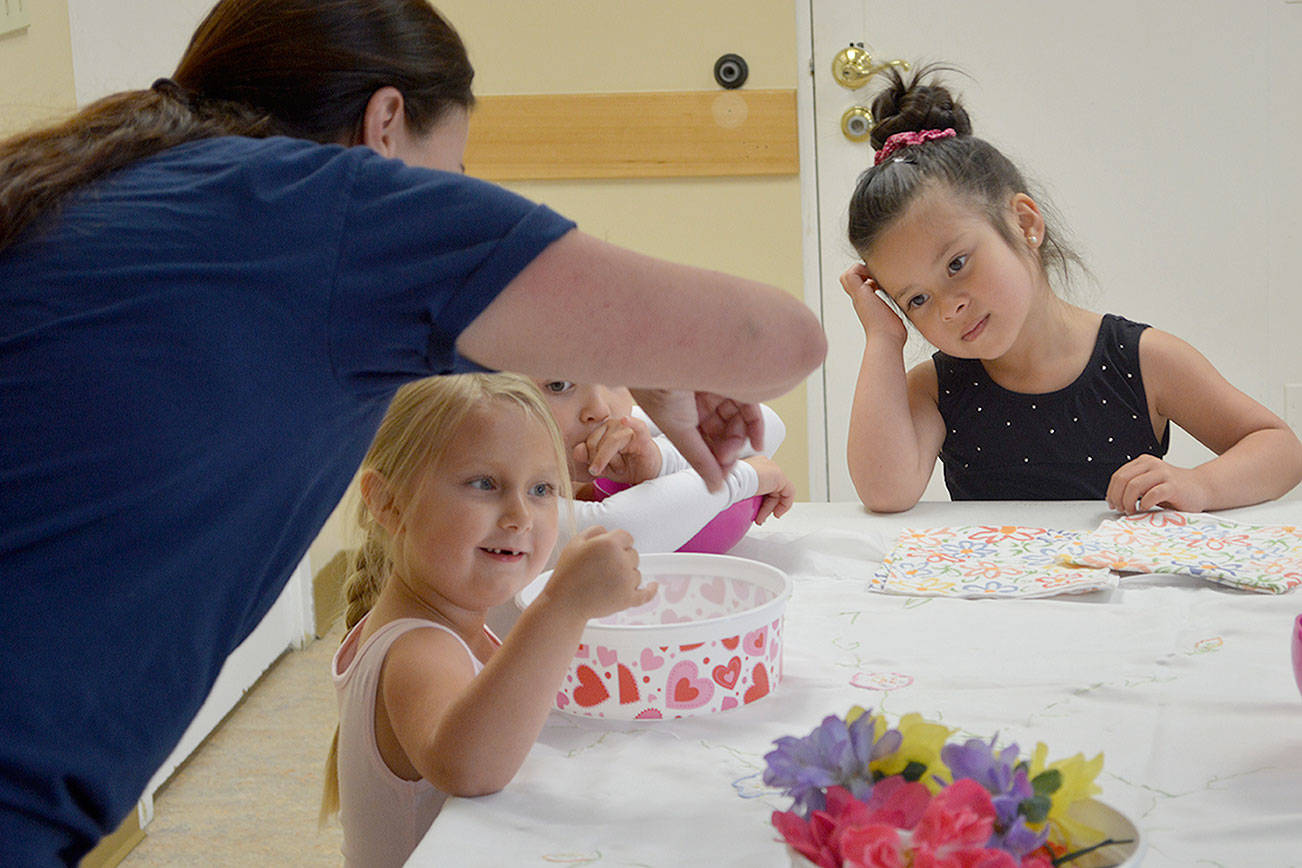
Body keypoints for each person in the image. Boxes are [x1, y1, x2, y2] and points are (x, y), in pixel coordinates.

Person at [0, 0, 825, 861]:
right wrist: (626, 346)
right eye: (454, 171)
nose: (451, 198)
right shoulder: (339, 206)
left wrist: (637, 361)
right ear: (386, 126)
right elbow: (783, 344)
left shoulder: (107, 186)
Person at [839, 66, 1302, 514]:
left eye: (957, 264)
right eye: (915, 299)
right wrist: (883, 339)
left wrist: (1200, 483)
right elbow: (885, 492)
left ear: (1024, 223)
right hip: (999, 593)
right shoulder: (937, 387)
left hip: (1127, 591)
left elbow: (1280, 449)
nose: (949, 306)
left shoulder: (1143, 361)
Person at [318, 373, 653, 867]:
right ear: (389, 502)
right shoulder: (419, 647)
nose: (520, 515)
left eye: (542, 488)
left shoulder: (451, 620)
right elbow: (469, 767)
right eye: (484, 484)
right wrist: (561, 606)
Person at [532, 379, 796, 557]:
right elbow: (611, 535)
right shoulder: (499, 475)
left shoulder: (613, 422)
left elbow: (763, 423)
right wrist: (744, 479)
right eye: (559, 385)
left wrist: (659, 460)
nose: (600, 409)